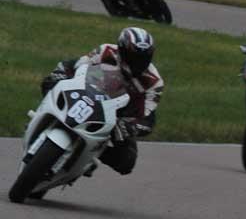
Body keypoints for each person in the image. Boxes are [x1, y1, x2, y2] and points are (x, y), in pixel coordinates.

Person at [40, 27, 163, 175]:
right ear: (122, 50)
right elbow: (78, 65)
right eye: (133, 56)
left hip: (118, 117)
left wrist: (131, 126)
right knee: (50, 84)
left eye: (143, 58)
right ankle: (42, 117)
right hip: (88, 96)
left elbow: (148, 117)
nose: (138, 62)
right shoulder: (106, 51)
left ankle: (91, 156)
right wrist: (60, 74)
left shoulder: (154, 81)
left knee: (127, 162)